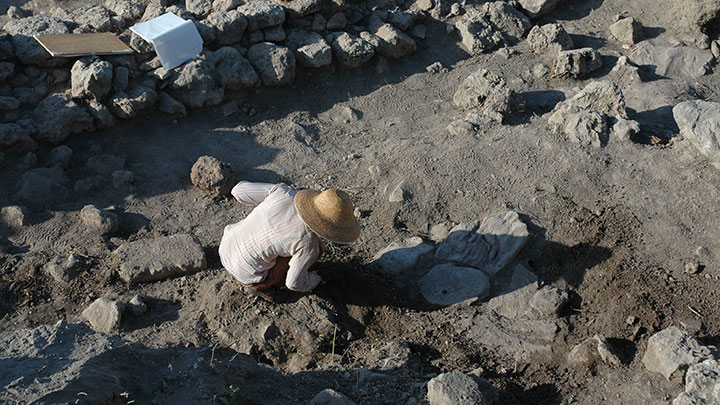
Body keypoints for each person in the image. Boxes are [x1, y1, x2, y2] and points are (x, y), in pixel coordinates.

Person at [219, 181, 360, 300]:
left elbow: (238, 190)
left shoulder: (283, 192)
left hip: (225, 246)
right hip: (247, 275)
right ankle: (261, 287)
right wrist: (314, 280)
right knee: (317, 251)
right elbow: (293, 283)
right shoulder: (308, 243)